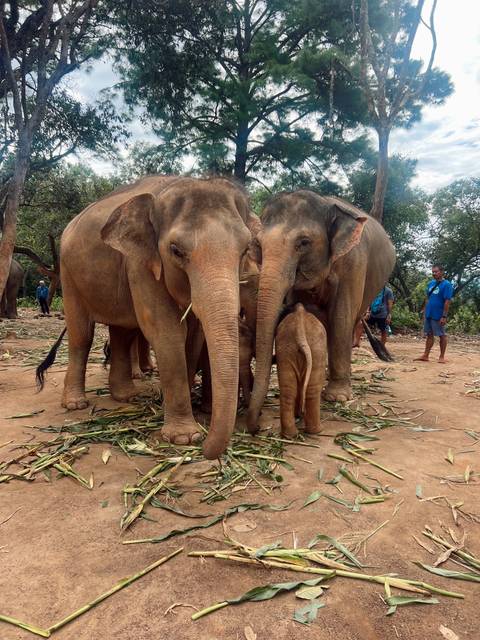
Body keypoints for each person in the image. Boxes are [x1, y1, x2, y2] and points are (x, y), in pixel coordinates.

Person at [415, 264, 453, 364]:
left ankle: (441, 357)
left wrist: (444, 316)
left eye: (436, 272)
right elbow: (428, 298)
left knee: (442, 335)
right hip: (429, 313)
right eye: (433, 272)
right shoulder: (431, 283)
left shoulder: (447, 285)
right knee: (429, 334)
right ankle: (425, 355)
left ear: (441, 272)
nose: (434, 274)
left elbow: (447, 301)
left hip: (438, 314)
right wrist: (424, 311)